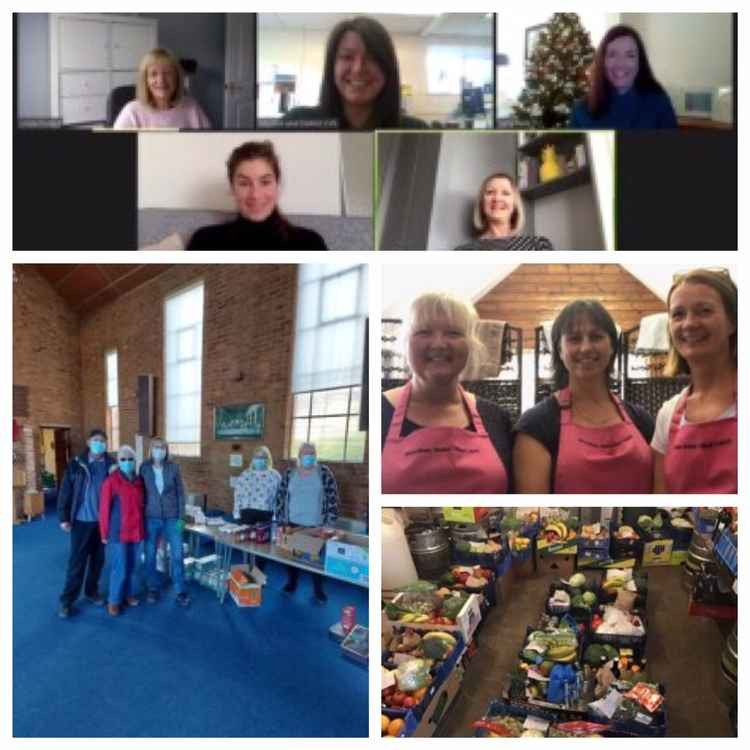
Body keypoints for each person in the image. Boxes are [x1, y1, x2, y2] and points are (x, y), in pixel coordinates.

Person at [514, 300, 654, 493]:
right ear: (559, 350)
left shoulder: (641, 420)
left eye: (596, 337)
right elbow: (534, 511)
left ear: (612, 346)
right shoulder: (536, 425)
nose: (586, 348)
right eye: (574, 339)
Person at [382, 292, 513, 493]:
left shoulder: (497, 419)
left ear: (470, 345)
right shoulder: (378, 413)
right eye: (424, 332)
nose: (439, 344)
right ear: (405, 343)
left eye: (453, 333)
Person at [652, 269, 737, 493]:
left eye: (704, 311)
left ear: (733, 322)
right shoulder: (667, 414)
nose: (689, 323)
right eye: (678, 314)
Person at [282, 16, 427, 130]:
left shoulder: (417, 131)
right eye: (347, 57)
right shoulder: (296, 123)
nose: (358, 68)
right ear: (332, 66)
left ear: (387, 68)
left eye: (372, 58)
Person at [186, 140, 329, 250]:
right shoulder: (205, 240)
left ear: (277, 185)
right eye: (244, 183)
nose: (255, 195)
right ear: (232, 188)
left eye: (265, 182)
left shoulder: (309, 243)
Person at [57, 428, 116, 618]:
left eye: (103, 441)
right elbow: (66, 491)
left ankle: (91, 591)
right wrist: (64, 517)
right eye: (96, 440)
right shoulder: (77, 464)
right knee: (77, 563)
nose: (100, 443)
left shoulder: (111, 464)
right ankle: (67, 601)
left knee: (97, 562)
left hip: (102, 524)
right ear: (89, 442)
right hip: (81, 522)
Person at [569, 25, 677, 129]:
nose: (621, 64)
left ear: (639, 62)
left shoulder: (659, 102)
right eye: (612, 55)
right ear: (602, 61)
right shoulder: (580, 111)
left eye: (630, 55)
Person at [276, 443, 339, 602]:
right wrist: (280, 520)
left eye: (312, 453)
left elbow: (333, 497)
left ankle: (318, 588)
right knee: (290, 555)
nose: (309, 456)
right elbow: (280, 496)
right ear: (299, 456)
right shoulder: (290, 473)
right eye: (305, 453)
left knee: (315, 558)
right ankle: (291, 582)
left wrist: (330, 522)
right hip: (292, 523)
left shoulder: (323, 472)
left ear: (316, 456)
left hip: (316, 524)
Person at [139, 437, 190, 605]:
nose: (159, 450)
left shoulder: (173, 468)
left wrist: (182, 517)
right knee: (150, 554)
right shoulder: (144, 468)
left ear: (166, 450)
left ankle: (180, 590)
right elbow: (141, 493)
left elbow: (181, 494)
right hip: (151, 517)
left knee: (177, 554)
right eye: (155, 447)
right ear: (150, 449)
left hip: (172, 517)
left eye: (162, 447)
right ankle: (152, 588)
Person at [113, 47, 211, 130]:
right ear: (145, 80)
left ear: (176, 78)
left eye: (168, 73)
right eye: (153, 74)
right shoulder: (132, 112)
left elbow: (210, 143)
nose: (161, 80)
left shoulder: (192, 107)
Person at [453, 173, 554, 251]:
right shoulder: (462, 252)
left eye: (505, 193)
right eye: (490, 192)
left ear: (515, 204)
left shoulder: (538, 245)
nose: (497, 198)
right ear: (482, 203)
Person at [99, 445, 145, 616]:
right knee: (120, 567)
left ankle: (129, 594)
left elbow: (142, 506)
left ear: (135, 461)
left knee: (133, 566)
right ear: (118, 461)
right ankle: (114, 600)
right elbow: (104, 510)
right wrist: (104, 533)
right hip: (118, 532)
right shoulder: (111, 481)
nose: (127, 462)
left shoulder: (139, 481)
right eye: (123, 459)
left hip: (136, 531)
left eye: (130, 459)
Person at [234, 445, 281, 524]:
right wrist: (236, 515)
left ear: (268, 459)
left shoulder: (275, 475)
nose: (259, 459)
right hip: (247, 514)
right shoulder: (245, 474)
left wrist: (276, 517)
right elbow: (237, 495)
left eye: (262, 457)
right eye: (257, 457)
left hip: (266, 515)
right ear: (253, 459)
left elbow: (279, 498)